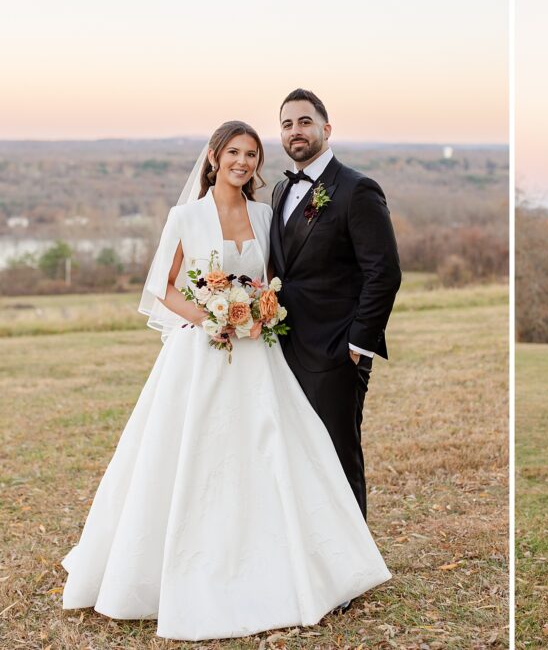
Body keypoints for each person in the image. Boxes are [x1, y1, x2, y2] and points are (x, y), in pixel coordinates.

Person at [61, 121, 391, 641]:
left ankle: (288, 560)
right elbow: (161, 287)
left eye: (252, 154)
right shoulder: (185, 217)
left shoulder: (265, 214)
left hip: (258, 350)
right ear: (214, 157)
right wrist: (211, 316)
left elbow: (281, 278)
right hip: (203, 352)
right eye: (234, 152)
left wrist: (255, 312)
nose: (243, 162)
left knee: (270, 451)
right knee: (191, 454)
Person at [271, 88, 402, 519]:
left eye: (305, 122)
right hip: (283, 349)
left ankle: (351, 572)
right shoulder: (277, 191)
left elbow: (383, 273)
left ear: (326, 129)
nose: (296, 131)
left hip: (334, 353)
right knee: (296, 458)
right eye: (288, 124)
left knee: (338, 458)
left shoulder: (356, 190)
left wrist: (357, 344)